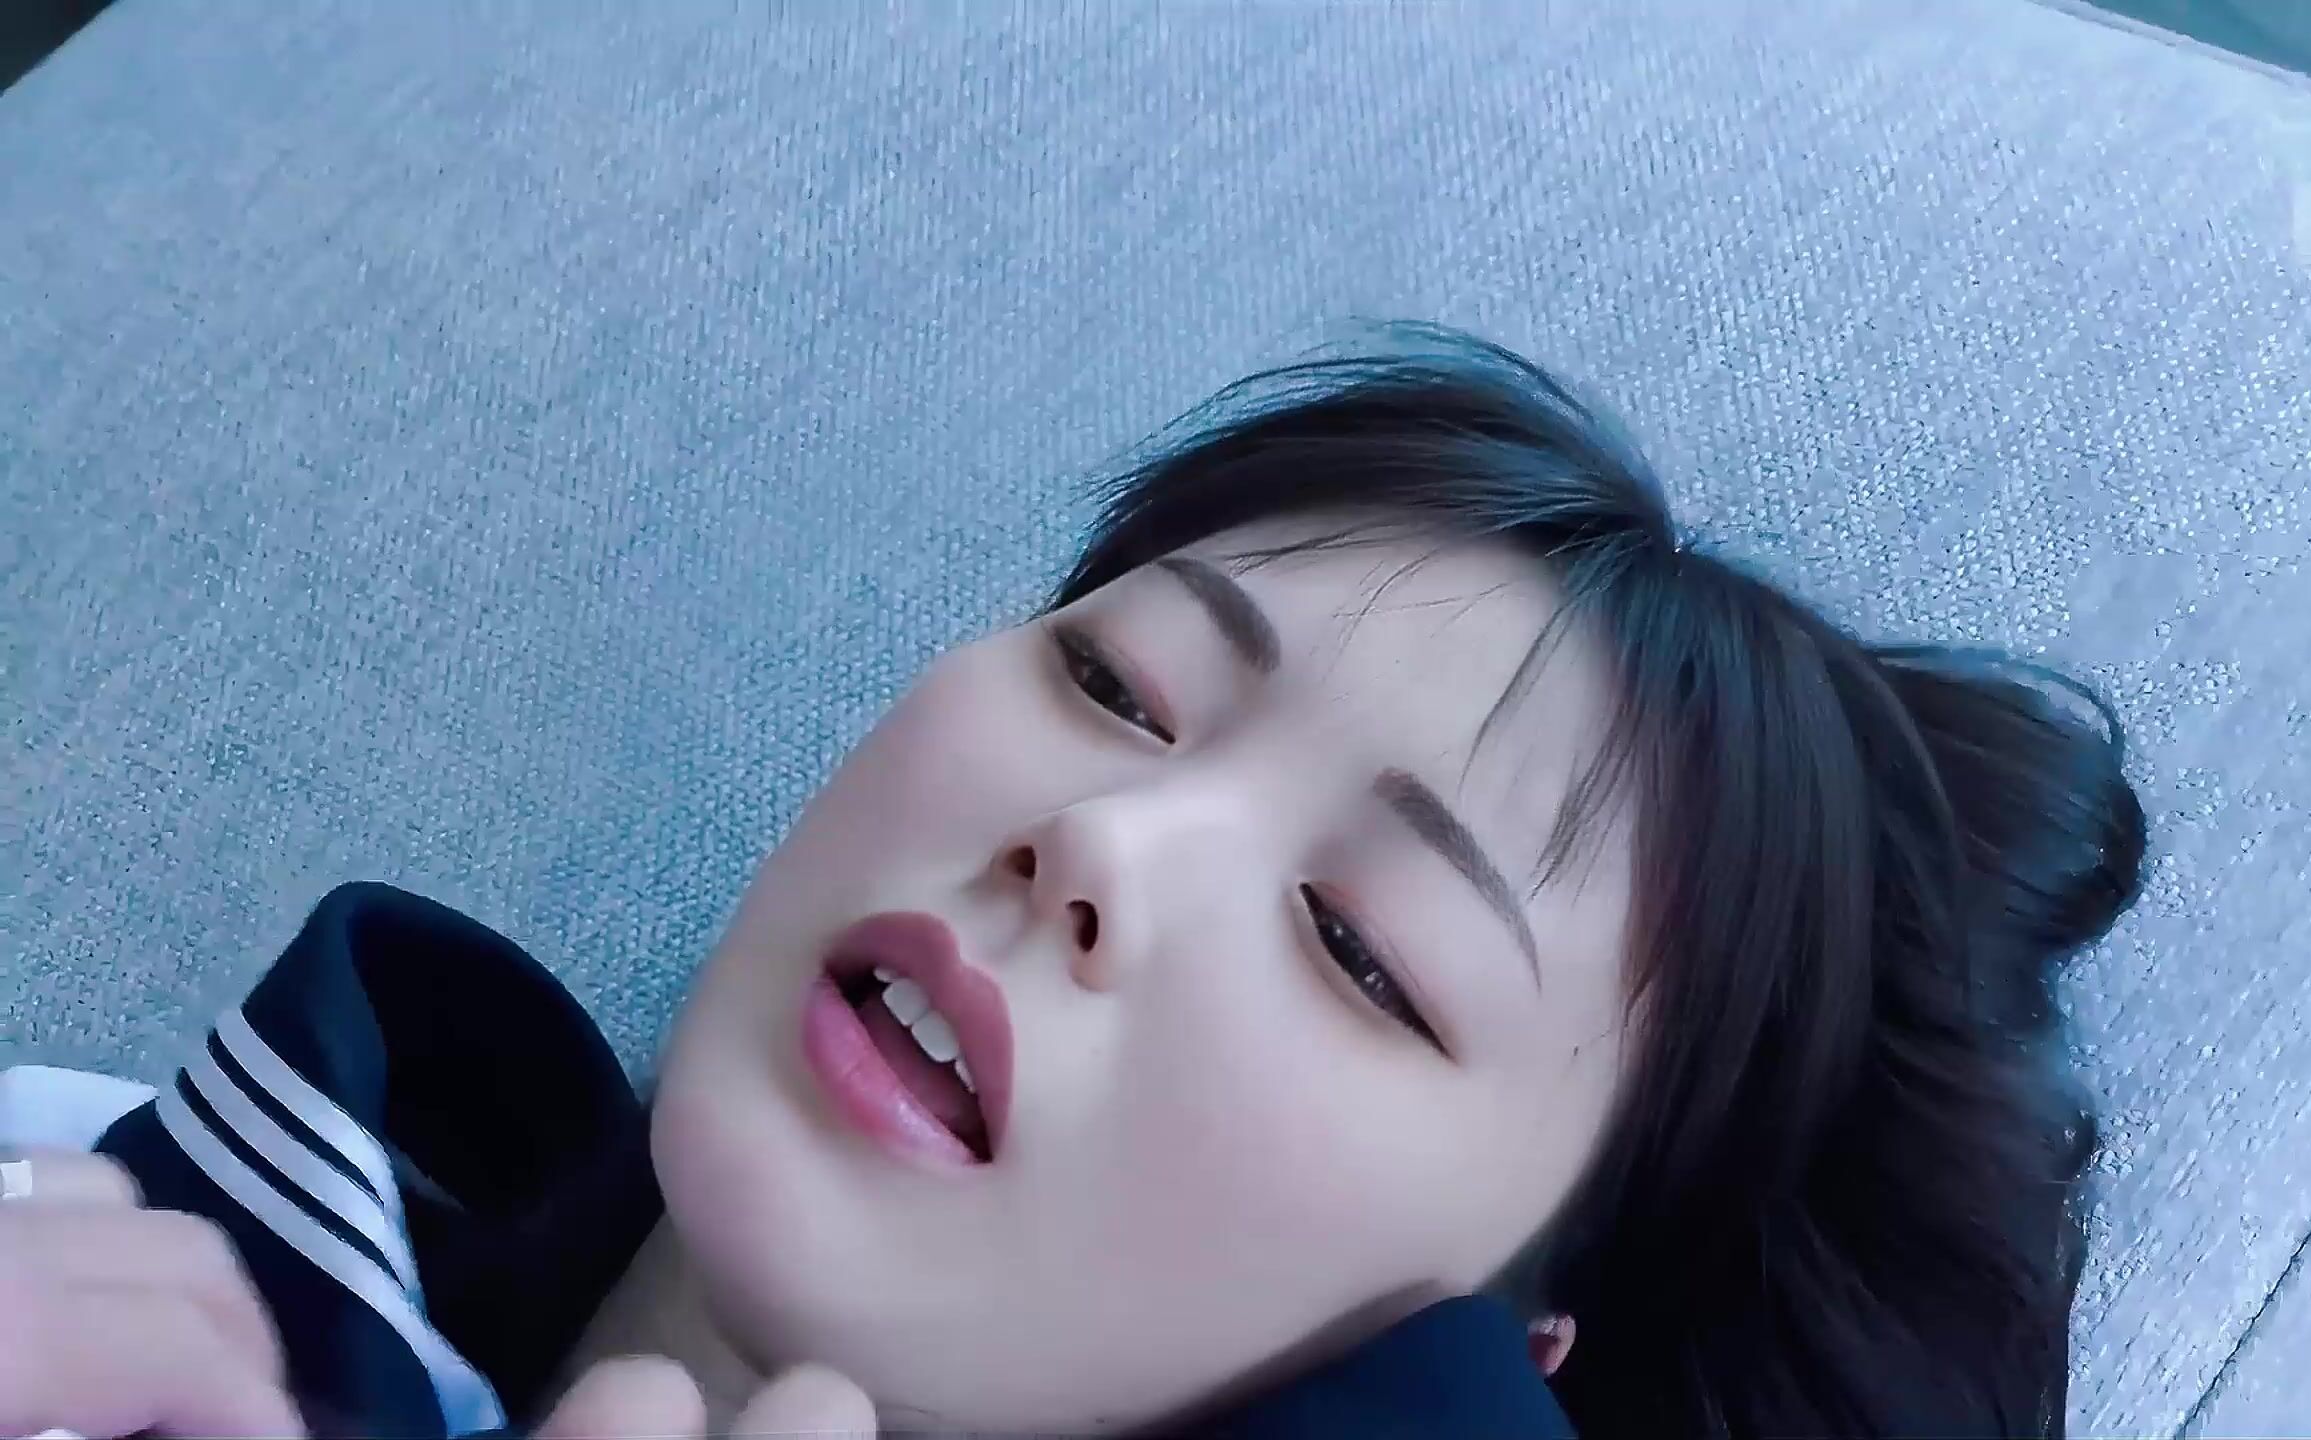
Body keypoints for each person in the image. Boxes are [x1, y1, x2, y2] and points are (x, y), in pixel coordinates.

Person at [0, 324, 2146, 1439]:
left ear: (1509, 1348)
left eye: (1361, 953)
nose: (1102, 842)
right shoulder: (67, 1209)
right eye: (1117, 686)